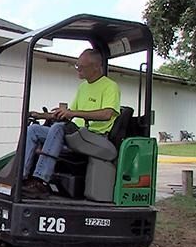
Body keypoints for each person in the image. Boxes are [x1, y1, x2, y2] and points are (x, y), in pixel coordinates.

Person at [21, 48, 121, 198]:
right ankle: (22, 177)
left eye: (81, 67)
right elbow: (69, 113)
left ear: (95, 66)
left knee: (59, 128)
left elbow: (107, 114)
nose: (78, 69)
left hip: (95, 137)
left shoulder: (110, 86)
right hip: (76, 135)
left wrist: (72, 113)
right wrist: (42, 115)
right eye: (77, 66)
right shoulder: (83, 87)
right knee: (34, 129)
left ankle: (41, 181)